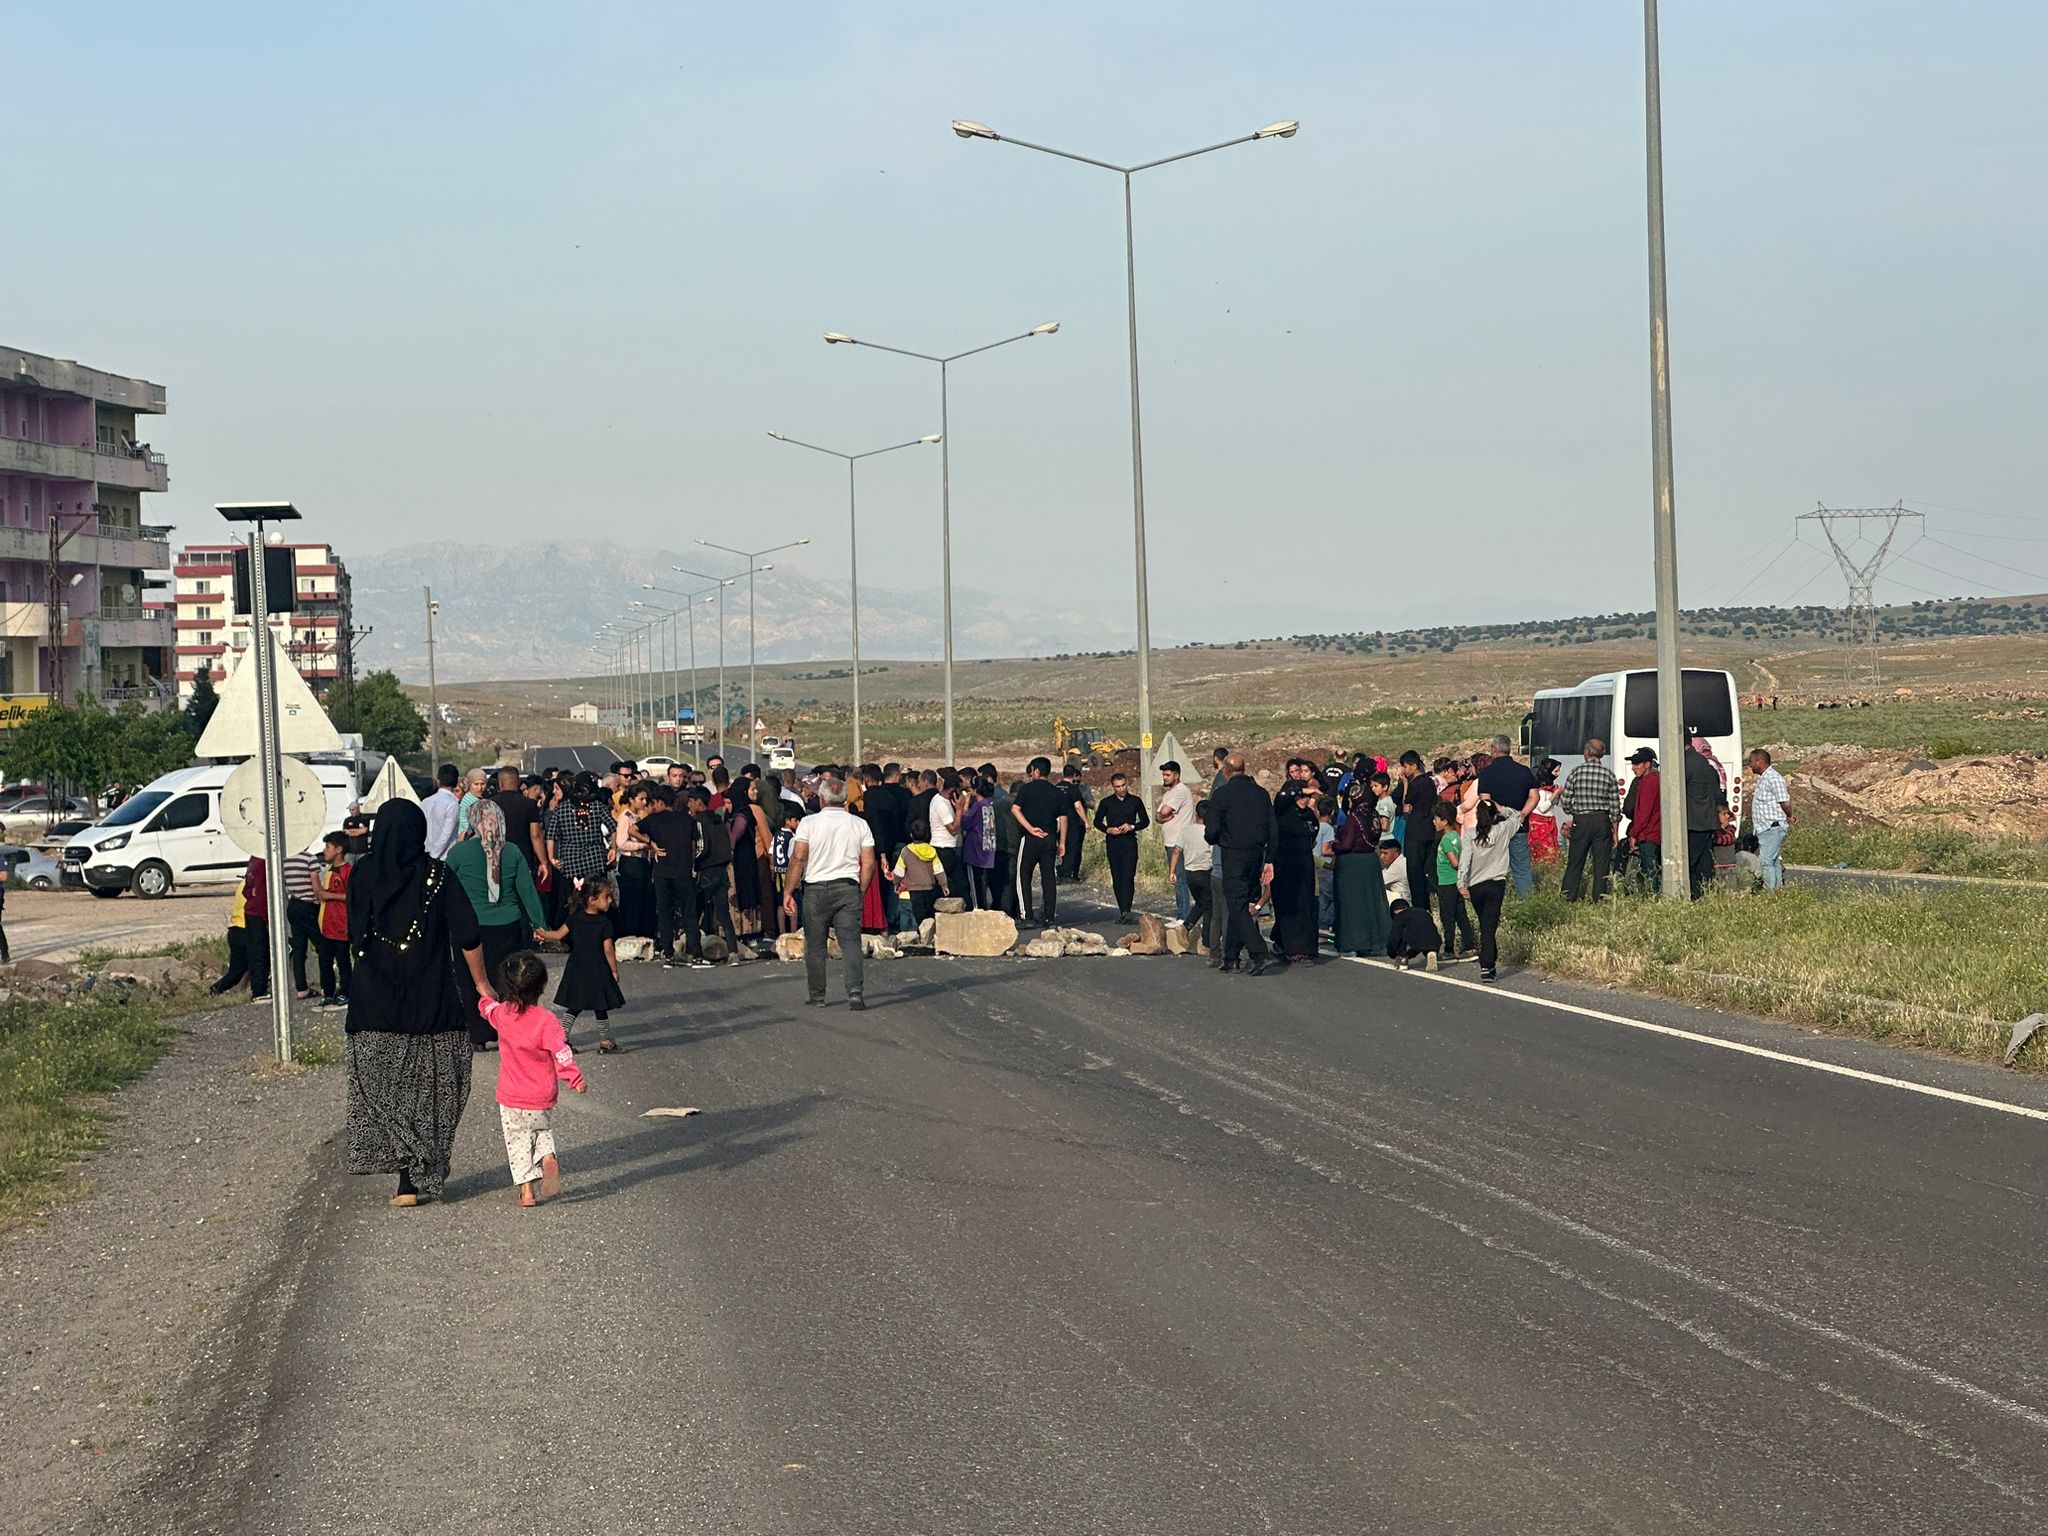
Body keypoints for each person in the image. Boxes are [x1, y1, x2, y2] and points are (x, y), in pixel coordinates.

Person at [344, 799, 494, 1208]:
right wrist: (482, 984)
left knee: (382, 1089)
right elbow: (468, 934)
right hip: (431, 998)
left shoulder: (363, 873)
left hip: (374, 999)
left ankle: (406, 1177)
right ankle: (427, 1165)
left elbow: (353, 933)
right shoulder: (438, 876)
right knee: (435, 1086)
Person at [477, 951, 586, 1208]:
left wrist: (484, 1000)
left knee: (517, 1140)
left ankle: (527, 1192)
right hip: (541, 1095)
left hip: (511, 1095)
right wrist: (574, 1077)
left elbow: (487, 1008)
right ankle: (547, 1156)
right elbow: (561, 1052)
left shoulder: (502, 1014)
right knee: (541, 1130)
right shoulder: (546, 1021)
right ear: (542, 987)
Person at [445, 800, 546, 1042]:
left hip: (470, 929)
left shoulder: (458, 852)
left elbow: (446, 890)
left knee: (471, 980)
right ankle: (505, 1031)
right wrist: (540, 925)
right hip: (507, 926)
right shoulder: (512, 851)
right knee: (508, 981)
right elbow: (527, 891)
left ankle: (478, 1034)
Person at [785, 776, 878, 1010]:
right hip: (847, 887)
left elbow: (798, 858)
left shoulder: (808, 823)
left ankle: (817, 994)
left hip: (816, 889)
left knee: (815, 945)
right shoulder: (859, 824)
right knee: (850, 944)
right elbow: (868, 863)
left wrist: (788, 890)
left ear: (822, 797)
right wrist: (861, 890)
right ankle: (855, 992)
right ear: (845, 798)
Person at [1211, 754, 1279, 975]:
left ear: (1226, 772)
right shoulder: (1260, 794)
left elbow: (1211, 830)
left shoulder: (1223, 794)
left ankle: (1258, 953)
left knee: (1238, 905)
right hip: (1256, 854)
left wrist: (1218, 838)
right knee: (1239, 902)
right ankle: (1230, 955)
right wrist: (1269, 858)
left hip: (1234, 855)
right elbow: (1272, 828)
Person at [538, 877, 624, 1051]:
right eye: (606, 897)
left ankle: (562, 1039)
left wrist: (542, 934)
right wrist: (614, 970)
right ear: (592, 899)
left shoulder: (574, 919)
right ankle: (606, 1042)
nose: (610, 900)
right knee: (601, 1006)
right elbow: (608, 949)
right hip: (598, 969)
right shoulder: (603, 923)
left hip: (577, 968)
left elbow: (558, 935)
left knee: (575, 1006)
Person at [641, 785, 707, 968]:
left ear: (660, 802)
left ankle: (668, 953)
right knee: (689, 913)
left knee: (664, 912)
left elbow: (632, 830)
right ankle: (696, 954)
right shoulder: (687, 819)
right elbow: (694, 844)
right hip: (683, 871)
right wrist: (692, 863)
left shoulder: (653, 819)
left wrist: (651, 843)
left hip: (662, 872)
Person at [1458, 798, 1522, 983]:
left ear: (1477, 816)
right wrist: (1502, 808)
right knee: (1489, 925)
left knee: (1484, 924)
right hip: (1496, 883)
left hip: (1475, 885)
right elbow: (1518, 815)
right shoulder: (1502, 830)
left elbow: (1465, 860)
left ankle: (1488, 961)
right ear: (1494, 815)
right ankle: (1488, 965)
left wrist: (1461, 883)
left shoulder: (1470, 835)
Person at [1476, 735, 1540, 897]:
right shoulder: (1524, 771)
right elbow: (1535, 796)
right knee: (1521, 868)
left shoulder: (1487, 773)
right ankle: (1527, 903)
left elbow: (1485, 800)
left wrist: (1499, 811)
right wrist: (1522, 814)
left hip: (1496, 827)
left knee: (1493, 868)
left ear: (1493, 750)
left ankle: (1494, 901)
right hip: (1518, 826)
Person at [1558, 739, 1621, 902]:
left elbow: (1565, 800)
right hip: (1601, 820)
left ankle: (1568, 896)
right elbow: (1615, 806)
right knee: (1601, 863)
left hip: (1581, 820)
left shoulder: (1576, 772)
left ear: (1587, 752)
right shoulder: (1609, 774)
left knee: (1575, 860)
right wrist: (1615, 831)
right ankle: (1599, 898)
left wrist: (1574, 812)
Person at [1010, 757, 1070, 927]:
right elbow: (1063, 819)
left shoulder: (1027, 789)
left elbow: (1015, 809)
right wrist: (1062, 843)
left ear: (1036, 771)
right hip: (1050, 838)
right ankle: (1049, 916)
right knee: (1048, 878)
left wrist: (1029, 828)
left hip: (1030, 838)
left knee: (1023, 875)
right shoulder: (1057, 792)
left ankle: (1026, 915)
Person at [1332, 793, 1392, 959]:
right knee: (1372, 903)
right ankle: (1376, 943)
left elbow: (1347, 843)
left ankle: (1353, 943)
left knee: (1352, 905)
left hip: (1353, 864)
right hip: (1370, 860)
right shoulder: (1373, 815)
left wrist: (1335, 845)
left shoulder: (1354, 818)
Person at [687, 785, 741, 964]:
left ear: (698, 802)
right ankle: (733, 951)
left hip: (707, 870)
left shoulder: (698, 821)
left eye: (691, 801)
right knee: (723, 912)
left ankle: (693, 950)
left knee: (696, 910)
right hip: (722, 870)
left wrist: (692, 862)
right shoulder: (719, 820)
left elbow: (702, 846)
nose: (689, 805)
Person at [1269, 777, 1319, 962]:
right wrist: (1297, 792)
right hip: (1285, 865)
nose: (1305, 800)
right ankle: (1289, 947)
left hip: (1304, 865)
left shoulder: (1308, 816)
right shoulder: (1283, 814)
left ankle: (1306, 948)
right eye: (1301, 796)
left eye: (1307, 796)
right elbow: (1280, 799)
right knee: (1288, 905)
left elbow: (1313, 832)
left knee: (1305, 905)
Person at [1093, 770, 1151, 922]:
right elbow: (1097, 821)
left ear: (1127, 784)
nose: (1121, 789)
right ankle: (1122, 910)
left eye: (1123, 785)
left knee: (1128, 876)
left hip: (1129, 843)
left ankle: (1127, 909)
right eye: (1117, 786)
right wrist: (1108, 829)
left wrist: (1131, 826)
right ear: (1113, 787)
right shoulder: (1106, 802)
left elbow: (1145, 821)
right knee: (1117, 877)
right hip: (1113, 843)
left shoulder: (1135, 801)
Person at [1430, 804, 1478, 959]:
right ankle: (1470, 947)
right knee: (1460, 915)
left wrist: (1458, 865)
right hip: (1456, 882)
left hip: (1446, 883)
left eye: (1436, 819)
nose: (1434, 822)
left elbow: (1454, 862)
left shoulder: (1445, 840)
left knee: (1447, 916)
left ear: (1444, 821)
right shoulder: (1457, 837)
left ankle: (1449, 949)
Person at [313, 832, 354, 1009]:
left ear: (339, 849)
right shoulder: (328, 871)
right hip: (326, 924)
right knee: (325, 960)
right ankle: (328, 992)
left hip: (340, 924)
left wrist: (328, 895)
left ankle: (346, 991)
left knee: (343, 960)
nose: (325, 851)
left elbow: (352, 896)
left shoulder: (348, 871)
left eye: (328, 847)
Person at [612, 782, 656, 941]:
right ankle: (629, 932)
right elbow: (622, 843)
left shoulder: (638, 817)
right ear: (631, 799)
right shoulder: (626, 817)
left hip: (641, 862)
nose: (644, 802)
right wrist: (643, 845)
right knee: (632, 899)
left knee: (642, 899)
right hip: (631, 861)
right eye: (641, 799)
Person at [1396, 751, 1438, 915]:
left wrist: (1405, 784)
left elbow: (1406, 804)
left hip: (1415, 832)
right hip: (1428, 830)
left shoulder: (1416, 784)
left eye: (1405, 766)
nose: (1404, 770)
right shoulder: (1429, 783)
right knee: (1426, 871)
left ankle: (1420, 909)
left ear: (1414, 766)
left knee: (1415, 874)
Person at [281, 846, 324, 1000]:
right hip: (309, 905)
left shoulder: (285, 860)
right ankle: (326, 984)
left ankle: (301, 988)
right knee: (322, 945)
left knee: (299, 949)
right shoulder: (309, 859)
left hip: (294, 904)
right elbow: (316, 886)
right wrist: (321, 900)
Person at [1155, 760, 1196, 922]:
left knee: (1180, 879)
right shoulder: (1169, 793)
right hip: (1171, 842)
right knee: (1177, 879)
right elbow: (1158, 816)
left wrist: (1163, 815)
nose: (1164, 777)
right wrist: (1162, 816)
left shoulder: (1180, 791)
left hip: (1179, 842)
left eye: (1168, 774)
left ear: (1177, 775)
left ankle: (1184, 915)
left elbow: (1164, 811)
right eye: (1164, 774)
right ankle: (1182, 912)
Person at [892, 816, 950, 925]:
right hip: (930, 888)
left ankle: (921, 936)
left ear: (911, 835)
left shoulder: (906, 851)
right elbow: (939, 870)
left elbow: (899, 871)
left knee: (918, 917)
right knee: (929, 915)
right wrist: (944, 885)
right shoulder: (932, 850)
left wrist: (896, 883)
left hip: (914, 890)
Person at [1684, 736, 1723, 899]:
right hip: (1708, 821)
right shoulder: (1705, 763)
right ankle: (1704, 896)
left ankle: (1693, 896)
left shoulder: (1686, 763)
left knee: (1690, 864)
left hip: (1694, 822)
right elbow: (1717, 792)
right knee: (1705, 864)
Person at [1748, 748, 1791, 890]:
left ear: (1760, 762)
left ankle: (1769, 892)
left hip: (1773, 827)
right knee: (1774, 861)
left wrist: (1789, 815)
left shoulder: (1773, 779)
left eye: (1751, 761)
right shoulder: (1764, 779)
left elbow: (1784, 801)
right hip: (1765, 828)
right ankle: (1778, 890)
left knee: (1766, 861)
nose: (1749, 765)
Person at [1620, 748, 1663, 892]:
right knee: (1656, 871)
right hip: (1657, 833)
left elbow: (1643, 813)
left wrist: (1634, 833)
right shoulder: (1658, 779)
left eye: (1637, 764)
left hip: (1648, 835)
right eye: (1633, 764)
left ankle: (1652, 900)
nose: (1633, 768)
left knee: (1650, 874)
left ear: (1647, 764)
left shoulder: (1646, 782)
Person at [209, 874, 255, 996]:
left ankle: (218, 990)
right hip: (246, 929)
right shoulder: (256, 886)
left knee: (237, 971)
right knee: (253, 964)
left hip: (235, 929)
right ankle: (214, 990)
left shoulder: (243, 885)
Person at [929, 769, 965, 906]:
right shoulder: (941, 804)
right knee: (947, 885)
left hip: (950, 848)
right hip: (943, 848)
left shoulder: (944, 801)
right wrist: (959, 810)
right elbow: (953, 829)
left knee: (959, 885)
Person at [961, 778, 998, 912]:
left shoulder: (977, 806)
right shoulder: (989, 804)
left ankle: (978, 909)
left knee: (975, 884)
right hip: (987, 850)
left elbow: (965, 823)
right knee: (984, 883)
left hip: (975, 850)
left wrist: (963, 807)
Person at [1181, 797, 1214, 949]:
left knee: (1200, 903)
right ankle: (1207, 940)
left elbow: (1176, 851)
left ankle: (1185, 927)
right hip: (1205, 872)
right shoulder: (1209, 832)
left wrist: (1172, 871)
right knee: (1210, 907)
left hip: (1189, 872)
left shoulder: (1186, 830)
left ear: (1196, 814)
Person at [240, 854, 273, 1000]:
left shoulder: (253, 860)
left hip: (251, 910)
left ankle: (257, 988)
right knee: (260, 952)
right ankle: (260, 990)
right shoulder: (262, 861)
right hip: (259, 912)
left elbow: (247, 890)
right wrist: (266, 918)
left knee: (254, 952)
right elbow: (261, 892)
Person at [1058, 763, 1091, 883]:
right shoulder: (1073, 789)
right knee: (1072, 848)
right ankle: (1067, 874)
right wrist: (1086, 822)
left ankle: (1059, 873)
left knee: (1060, 847)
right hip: (1072, 822)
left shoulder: (1056, 787)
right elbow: (1078, 806)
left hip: (1057, 823)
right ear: (1073, 775)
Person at [1386, 898, 1442, 970]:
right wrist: (1409, 955)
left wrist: (1392, 953)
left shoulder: (1400, 917)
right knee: (1425, 940)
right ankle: (1431, 952)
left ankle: (1402, 959)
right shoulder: (1423, 912)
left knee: (1401, 933)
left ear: (1394, 911)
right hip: (1435, 942)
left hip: (1417, 941)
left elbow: (1394, 938)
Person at [422, 764, 463, 859]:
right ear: (456, 783)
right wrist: (433, 856)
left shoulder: (425, 802)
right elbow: (446, 834)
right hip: (445, 857)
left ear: (438, 781)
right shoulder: (452, 804)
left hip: (424, 853)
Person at [773, 803, 801, 934]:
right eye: (796, 820)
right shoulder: (792, 837)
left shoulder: (777, 834)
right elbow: (793, 857)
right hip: (788, 873)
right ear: (787, 821)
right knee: (792, 902)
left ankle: (782, 933)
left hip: (778, 872)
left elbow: (771, 851)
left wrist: (773, 867)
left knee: (780, 903)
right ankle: (793, 932)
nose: (798, 823)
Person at [1313, 794, 1338, 938]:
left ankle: (1319, 926)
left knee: (1322, 898)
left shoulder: (1315, 826)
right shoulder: (1328, 828)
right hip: (1325, 866)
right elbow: (1325, 850)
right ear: (1332, 812)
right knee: (1334, 897)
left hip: (1316, 866)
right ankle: (1324, 924)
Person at [1528, 759, 1563, 863]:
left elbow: (1558, 804)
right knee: (1543, 852)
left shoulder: (1551, 788)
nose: (1558, 774)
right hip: (1539, 823)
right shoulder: (1540, 789)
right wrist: (1554, 795)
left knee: (1552, 851)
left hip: (1549, 821)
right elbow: (1542, 808)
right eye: (1555, 771)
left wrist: (1558, 794)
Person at [1379, 835, 1411, 909]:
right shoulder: (1396, 863)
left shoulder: (1398, 866)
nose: (1381, 857)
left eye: (1385, 853)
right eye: (1381, 853)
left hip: (1403, 903)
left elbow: (1377, 881)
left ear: (1396, 854)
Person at [458, 768, 488, 840]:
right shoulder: (470, 801)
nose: (479, 788)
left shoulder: (478, 799)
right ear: (469, 785)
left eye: (482, 784)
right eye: (476, 784)